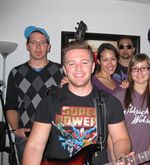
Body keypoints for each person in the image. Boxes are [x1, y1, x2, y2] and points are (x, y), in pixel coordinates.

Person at [22, 40, 132, 165]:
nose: (78, 68)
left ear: (92, 67)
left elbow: (120, 139)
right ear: (65, 69)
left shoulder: (110, 102)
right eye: (72, 63)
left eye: (84, 63)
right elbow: (35, 146)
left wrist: (122, 155)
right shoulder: (50, 101)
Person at [5, 25, 63, 164]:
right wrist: (15, 130)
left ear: (48, 47)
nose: (38, 47)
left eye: (42, 43)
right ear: (27, 46)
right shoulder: (16, 72)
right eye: (33, 43)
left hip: (55, 136)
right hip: (26, 137)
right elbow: (11, 106)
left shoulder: (61, 71)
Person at [110, 54, 150, 164]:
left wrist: (146, 159)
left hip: (144, 159)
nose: (139, 72)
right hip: (120, 158)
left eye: (143, 68)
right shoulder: (118, 97)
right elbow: (110, 135)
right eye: (135, 69)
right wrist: (115, 159)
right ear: (130, 73)